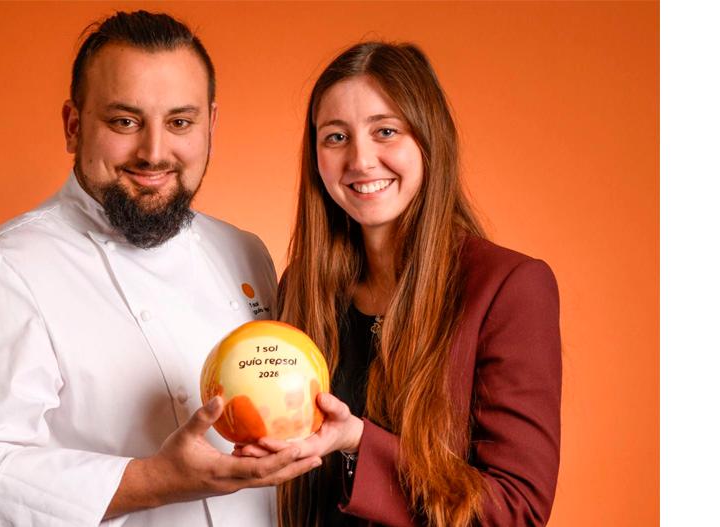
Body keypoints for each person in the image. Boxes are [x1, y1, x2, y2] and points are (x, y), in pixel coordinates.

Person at [0, 11, 320, 527]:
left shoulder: (243, 251)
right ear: (73, 125)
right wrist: (153, 480)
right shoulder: (0, 275)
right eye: (124, 122)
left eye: (180, 122)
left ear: (210, 126)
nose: (154, 152)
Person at [241, 42, 562, 526]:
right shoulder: (302, 287)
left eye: (385, 131)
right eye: (335, 137)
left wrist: (357, 441)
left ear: (429, 140)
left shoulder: (509, 287)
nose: (361, 160)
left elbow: (517, 512)